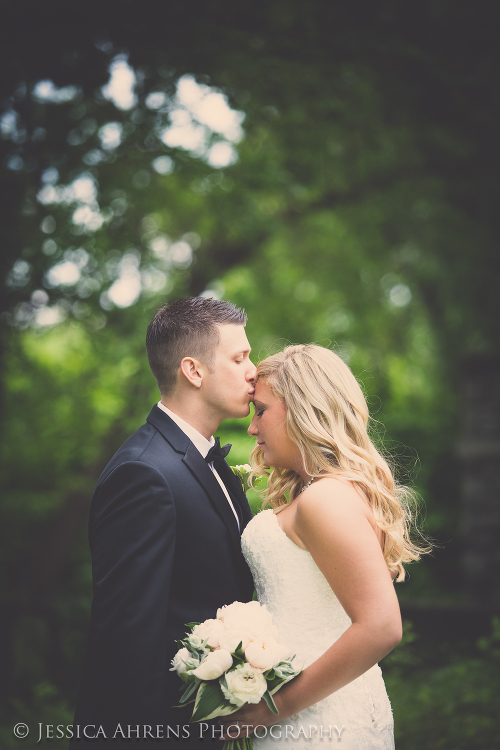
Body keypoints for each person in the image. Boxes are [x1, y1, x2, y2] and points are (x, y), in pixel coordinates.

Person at [220, 344, 429, 749]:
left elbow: (381, 626)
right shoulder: (321, 491)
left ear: (302, 408)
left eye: (260, 410)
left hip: (316, 719)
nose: (251, 427)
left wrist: (272, 708)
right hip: (315, 707)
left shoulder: (326, 499)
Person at [71, 297, 256, 748]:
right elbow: (126, 640)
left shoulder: (204, 460)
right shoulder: (144, 473)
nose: (255, 369)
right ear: (193, 371)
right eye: (240, 358)